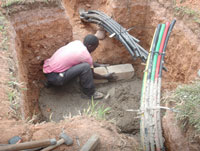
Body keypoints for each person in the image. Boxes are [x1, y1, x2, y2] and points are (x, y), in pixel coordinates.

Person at [43, 34, 116, 99]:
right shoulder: (86, 56)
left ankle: (49, 82)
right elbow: (92, 74)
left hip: (47, 69)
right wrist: (105, 77)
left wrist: (100, 65)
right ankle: (89, 93)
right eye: (95, 47)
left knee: (81, 65)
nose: (95, 50)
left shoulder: (77, 43)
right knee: (85, 67)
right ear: (90, 46)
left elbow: (81, 59)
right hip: (56, 78)